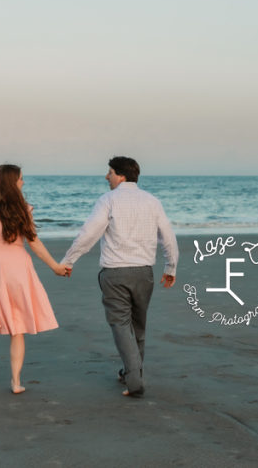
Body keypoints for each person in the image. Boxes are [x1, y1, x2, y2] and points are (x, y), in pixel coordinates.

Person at [59, 156, 178, 398]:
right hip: (144, 273)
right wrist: (171, 267)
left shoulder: (108, 200)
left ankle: (134, 380)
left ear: (121, 175)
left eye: (110, 172)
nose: (106, 177)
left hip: (115, 273)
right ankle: (131, 372)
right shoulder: (152, 201)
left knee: (121, 325)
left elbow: (88, 234)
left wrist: (69, 260)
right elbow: (168, 236)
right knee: (138, 326)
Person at [0, 164, 69, 394]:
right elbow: (34, 242)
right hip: (18, 268)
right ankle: (15, 381)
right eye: (21, 179)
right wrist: (55, 266)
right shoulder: (24, 209)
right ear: (12, 182)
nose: (24, 182)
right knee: (17, 326)